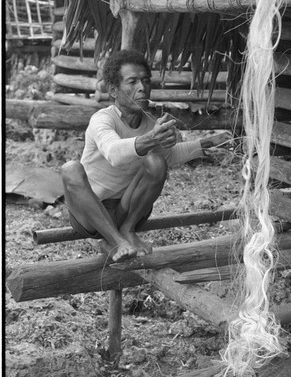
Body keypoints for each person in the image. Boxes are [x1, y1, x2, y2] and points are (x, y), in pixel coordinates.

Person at [61, 49, 229, 263]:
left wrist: (207, 144)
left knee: (156, 162)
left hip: (126, 209)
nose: (142, 87)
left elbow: (168, 157)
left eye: (145, 81)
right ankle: (116, 240)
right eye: (132, 82)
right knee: (70, 169)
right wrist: (152, 138)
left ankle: (127, 231)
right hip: (90, 214)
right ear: (113, 90)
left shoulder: (151, 123)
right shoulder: (102, 120)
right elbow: (115, 154)